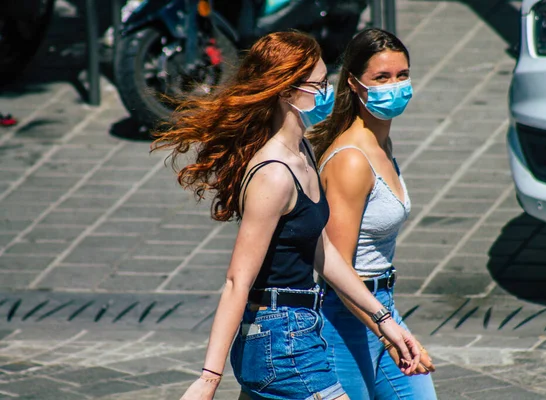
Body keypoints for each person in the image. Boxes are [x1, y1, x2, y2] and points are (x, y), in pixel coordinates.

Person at [151, 31, 423, 400]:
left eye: (327, 81)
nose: (327, 92)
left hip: (297, 331)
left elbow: (324, 252)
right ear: (286, 91)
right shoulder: (274, 174)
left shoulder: (303, 153)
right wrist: (208, 380)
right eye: (318, 84)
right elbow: (236, 282)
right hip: (280, 340)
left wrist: (384, 321)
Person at [309, 28, 438, 399]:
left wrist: (389, 325)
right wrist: (389, 331)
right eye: (381, 77)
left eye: (402, 75)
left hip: (382, 307)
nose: (394, 85)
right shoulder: (352, 160)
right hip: (347, 321)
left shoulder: (381, 143)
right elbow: (337, 270)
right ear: (354, 84)